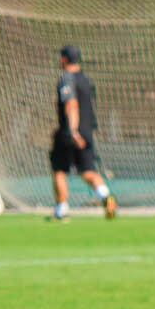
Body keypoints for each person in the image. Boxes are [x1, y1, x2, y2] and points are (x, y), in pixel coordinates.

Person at [49, 44, 117, 221]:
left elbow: (72, 105)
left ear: (64, 59)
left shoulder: (67, 79)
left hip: (71, 132)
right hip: (87, 132)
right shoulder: (87, 81)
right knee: (88, 171)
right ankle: (105, 196)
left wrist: (72, 131)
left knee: (59, 170)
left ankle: (62, 209)